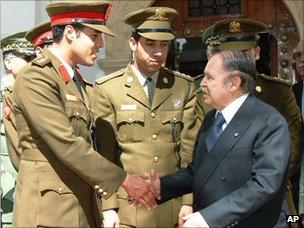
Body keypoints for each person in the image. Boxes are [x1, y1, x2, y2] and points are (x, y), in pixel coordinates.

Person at [11, 1, 157, 227]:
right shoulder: (36, 78)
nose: (101, 43)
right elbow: (66, 143)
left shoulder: (75, 80)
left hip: (79, 204)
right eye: (95, 35)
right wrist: (124, 180)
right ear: (70, 32)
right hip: (50, 211)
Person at [152, 50, 291, 227]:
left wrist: (209, 217)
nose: (202, 83)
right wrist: (160, 186)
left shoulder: (268, 121)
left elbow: (264, 185)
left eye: (209, 77)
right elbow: (200, 171)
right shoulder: (212, 119)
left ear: (234, 83)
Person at [93, 7, 198, 227]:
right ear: (133, 43)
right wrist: (109, 206)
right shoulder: (108, 89)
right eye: (150, 44)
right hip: (129, 209)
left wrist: (189, 201)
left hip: (173, 208)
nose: (158, 52)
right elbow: (105, 155)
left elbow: (189, 151)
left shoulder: (184, 86)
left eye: (164, 44)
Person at [196, 18, 303, 218]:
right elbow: (199, 153)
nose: (239, 59)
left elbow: (292, 147)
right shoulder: (205, 96)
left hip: (268, 203)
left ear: (256, 52)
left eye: (244, 53)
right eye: (231, 54)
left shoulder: (278, 92)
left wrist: (258, 187)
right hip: (215, 203)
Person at [0, 31, 35, 228]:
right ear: (9, 63)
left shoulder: (35, 97)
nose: (33, 63)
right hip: (8, 198)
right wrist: (7, 186)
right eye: (27, 58)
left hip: (35, 194)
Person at [292, 39, 304, 225]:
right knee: (290, 221)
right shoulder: (292, 92)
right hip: (296, 182)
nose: (301, 60)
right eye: (298, 56)